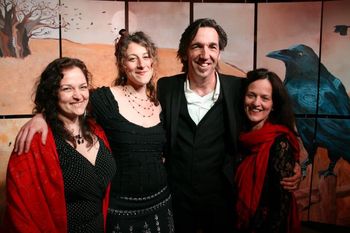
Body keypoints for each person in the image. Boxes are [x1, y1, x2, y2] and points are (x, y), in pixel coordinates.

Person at [12, 31, 174, 233]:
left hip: (161, 204)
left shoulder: (161, 103)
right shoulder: (104, 99)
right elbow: (69, 103)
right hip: (122, 212)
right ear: (123, 64)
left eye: (146, 56)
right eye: (133, 59)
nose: (141, 64)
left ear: (152, 61)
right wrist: (41, 116)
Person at [157, 18, 301, 233]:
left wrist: (293, 164)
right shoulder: (167, 87)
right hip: (177, 201)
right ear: (186, 50)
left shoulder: (237, 88)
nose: (205, 55)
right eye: (197, 46)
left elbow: (270, 128)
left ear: (219, 52)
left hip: (223, 203)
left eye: (212, 47)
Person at [2, 57, 116, 232]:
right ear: (52, 93)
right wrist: (41, 116)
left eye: (82, 87)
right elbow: (21, 215)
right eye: (67, 89)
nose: (78, 95)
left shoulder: (96, 130)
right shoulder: (35, 140)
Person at [235, 68, 300, 233]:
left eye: (265, 98)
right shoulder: (240, 136)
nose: (256, 103)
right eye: (251, 95)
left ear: (273, 105)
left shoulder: (280, 142)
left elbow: (281, 206)